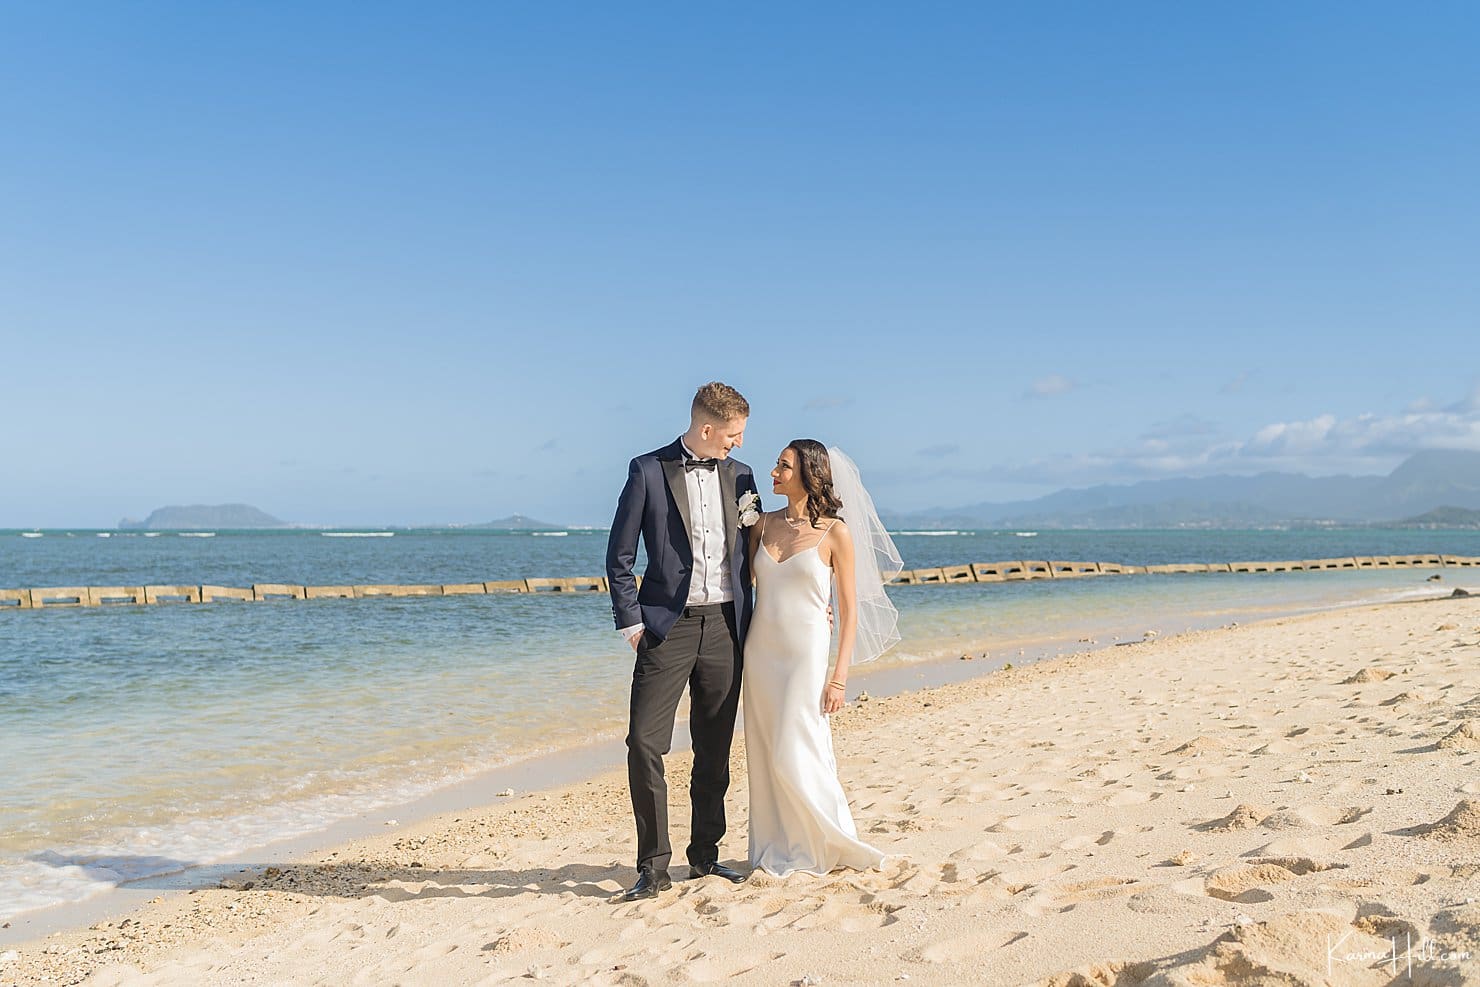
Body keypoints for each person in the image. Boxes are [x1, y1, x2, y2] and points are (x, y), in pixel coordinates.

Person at [606, 382, 760, 902]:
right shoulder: (646, 470)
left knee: (713, 748)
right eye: (733, 435)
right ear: (708, 428)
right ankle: (652, 867)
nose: (738, 444)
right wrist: (632, 623)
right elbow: (619, 556)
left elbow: (759, 549)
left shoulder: (743, 477)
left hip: (725, 627)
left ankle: (706, 858)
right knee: (644, 743)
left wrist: (803, 593)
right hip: (665, 628)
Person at [744, 439, 901, 876]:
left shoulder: (837, 533)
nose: (773, 472)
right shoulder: (762, 525)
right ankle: (777, 846)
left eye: (784, 466)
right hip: (760, 653)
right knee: (764, 751)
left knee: (796, 748)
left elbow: (849, 612)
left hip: (806, 655)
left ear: (808, 474)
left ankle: (823, 841)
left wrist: (839, 678)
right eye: (776, 464)